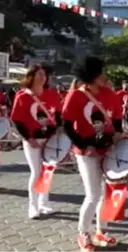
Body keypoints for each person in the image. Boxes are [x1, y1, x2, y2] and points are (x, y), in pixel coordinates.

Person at [62, 56, 123, 250]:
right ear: (92, 75)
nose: (105, 76)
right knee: (93, 194)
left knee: (106, 193)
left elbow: (118, 118)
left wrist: (118, 134)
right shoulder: (76, 95)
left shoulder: (109, 93)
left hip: (107, 149)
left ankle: (101, 230)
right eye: (101, 72)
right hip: (86, 152)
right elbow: (67, 125)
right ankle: (83, 233)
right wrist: (83, 145)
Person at [10, 64, 62, 219]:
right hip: (32, 140)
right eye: (39, 74)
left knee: (47, 171)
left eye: (44, 74)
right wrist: (28, 138)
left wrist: (56, 130)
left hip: (49, 139)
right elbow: (17, 120)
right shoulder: (22, 96)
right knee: (36, 172)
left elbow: (58, 115)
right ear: (31, 76)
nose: (43, 77)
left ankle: (43, 203)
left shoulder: (52, 94)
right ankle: (32, 207)